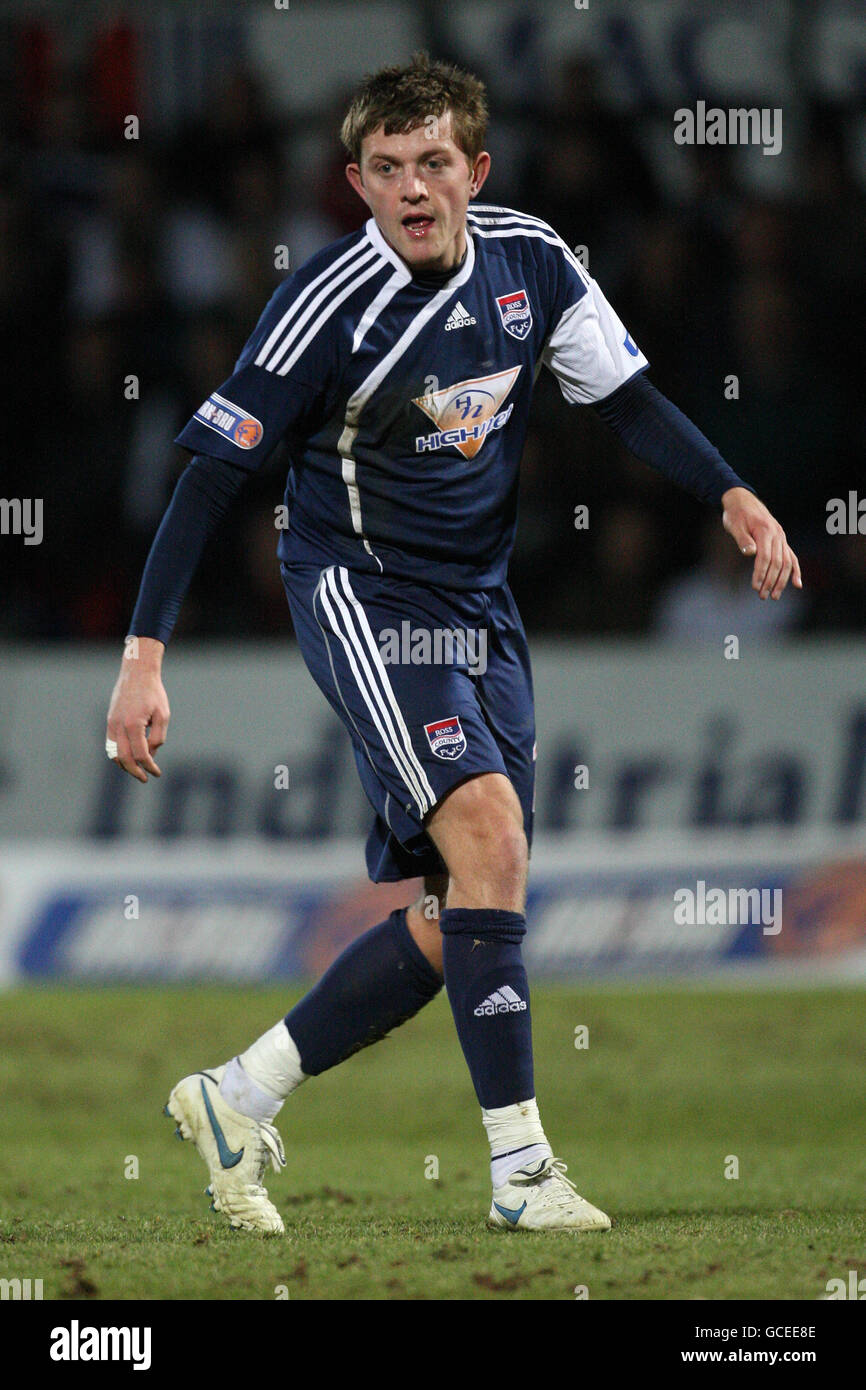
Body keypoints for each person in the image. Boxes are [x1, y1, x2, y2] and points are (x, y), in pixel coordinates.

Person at [105, 52, 801, 1236]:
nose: (412, 189)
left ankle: (237, 1094)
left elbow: (623, 396)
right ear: (357, 183)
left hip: (480, 603)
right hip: (361, 593)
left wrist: (729, 494)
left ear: (473, 169)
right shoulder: (321, 307)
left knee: (472, 889)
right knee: (486, 832)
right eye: (385, 169)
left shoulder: (532, 262)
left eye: (433, 163)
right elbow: (211, 480)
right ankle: (521, 1174)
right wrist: (141, 657)